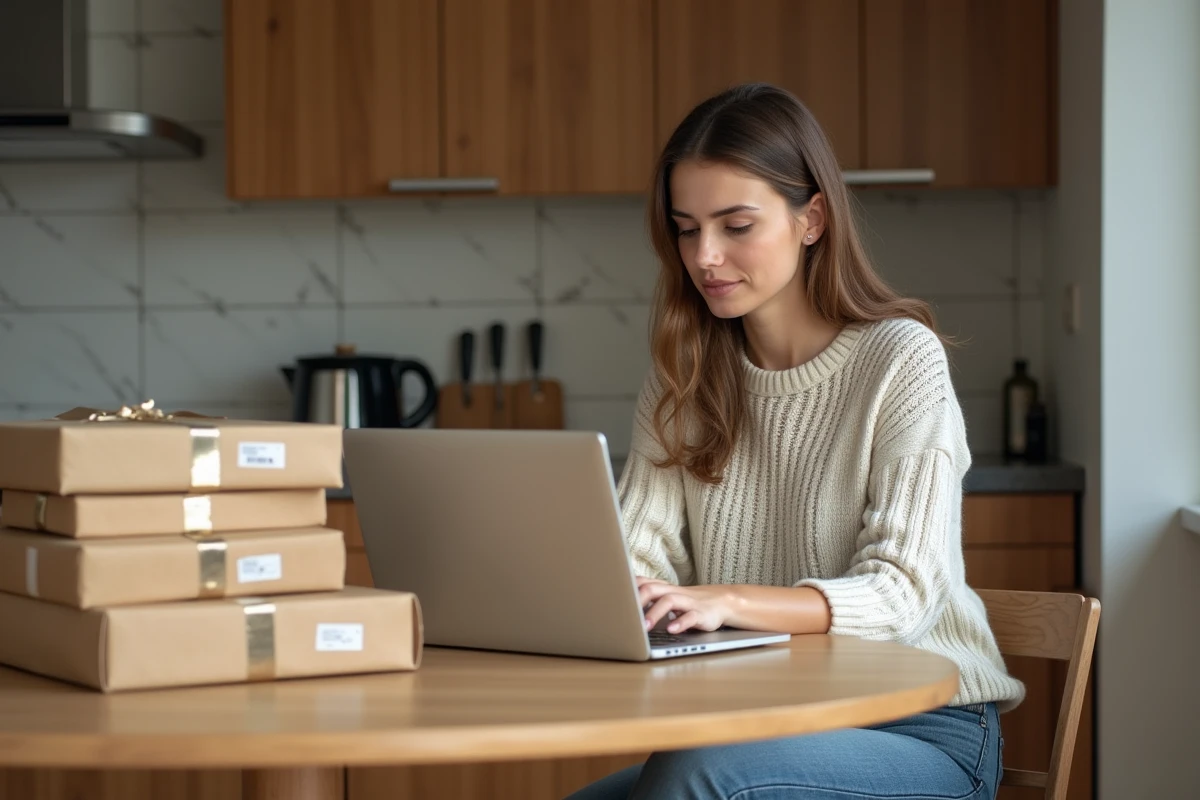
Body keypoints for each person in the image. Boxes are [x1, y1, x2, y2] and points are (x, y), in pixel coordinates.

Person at [566, 83, 1024, 800]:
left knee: (694, 780)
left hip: (923, 729)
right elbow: (639, 550)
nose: (705, 256)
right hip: (754, 725)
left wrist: (728, 600)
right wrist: (620, 588)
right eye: (686, 228)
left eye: (735, 225)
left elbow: (902, 591)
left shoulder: (901, 359)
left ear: (811, 219)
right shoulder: (684, 374)